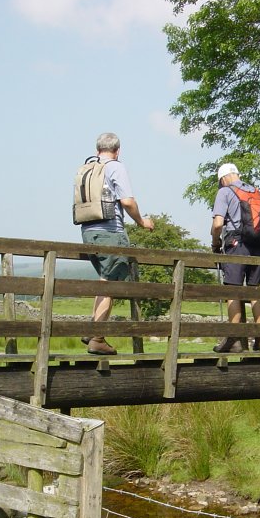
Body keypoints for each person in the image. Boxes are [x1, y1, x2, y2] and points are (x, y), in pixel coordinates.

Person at [79, 132, 154, 355]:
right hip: (110, 232)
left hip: (88, 231)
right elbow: (127, 202)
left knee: (105, 281)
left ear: (97, 150)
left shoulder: (88, 168)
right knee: (110, 285)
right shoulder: (115, 167)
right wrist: (142, 221)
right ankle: (97, 337)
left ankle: (93, 328)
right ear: (118, 150)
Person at [211, 164, 260, 353]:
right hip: (257, 246)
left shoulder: (225, 192)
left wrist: (215, 243)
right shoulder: (255, 191)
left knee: (233, 291)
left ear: (223, 178)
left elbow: (218, 224)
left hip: (237, 244)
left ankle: (233, 339)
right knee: (254, 291)